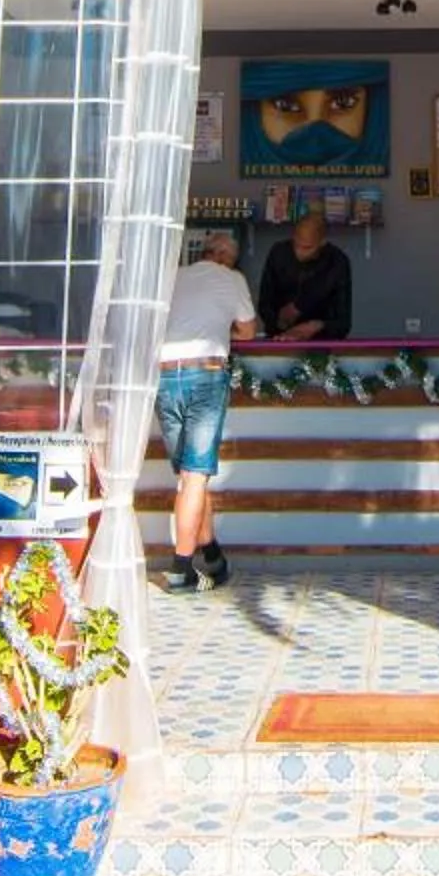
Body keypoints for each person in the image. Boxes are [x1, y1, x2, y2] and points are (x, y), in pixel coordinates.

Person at [155, 232, 260, 591]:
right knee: (195, 477)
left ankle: (213, 557)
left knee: (190, 478)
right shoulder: (232, 280)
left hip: (165, 375)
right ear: (229, 259)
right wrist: (223, 323)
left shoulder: (175, 276)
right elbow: (248, 331)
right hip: (206, 373)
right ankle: (181, 569)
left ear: (202, 253)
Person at [256, 211, 353, 342]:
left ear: (322, 242)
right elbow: (264, 302)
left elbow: (343, 322)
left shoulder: (337, 261)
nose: (299, 252)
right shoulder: (278, 253)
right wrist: (278, 321)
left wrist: (315, 326)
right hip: (280, 341)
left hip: (323, 344)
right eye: (296, 244)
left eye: (307, 248)